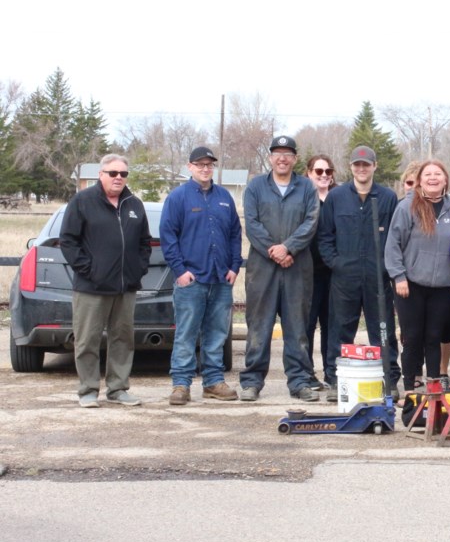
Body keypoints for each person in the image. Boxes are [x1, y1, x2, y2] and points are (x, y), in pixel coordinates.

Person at [59, 154, 150, 408]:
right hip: (92, 287)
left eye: (123, 174)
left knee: (123, 339)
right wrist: (89, 270)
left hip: (126, 287)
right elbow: (68, 240)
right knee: (87, 339)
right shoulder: (83, 201)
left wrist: (138, 269)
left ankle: (118, 388)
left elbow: (145, 242)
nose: (118, 178)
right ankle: (88, 390)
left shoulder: (134, 204)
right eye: (113, 173)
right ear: (101, 175)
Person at [160, 146, 243, 406]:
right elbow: (168, 236)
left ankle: (213, 382)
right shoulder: (178, 197)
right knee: (186, 333)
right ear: (190, 167)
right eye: (200, 164)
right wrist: (180, 271)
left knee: (217, 333)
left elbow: (234, 234)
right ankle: (181, 385)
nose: (205, 169)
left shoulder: (224, 198)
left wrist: (234, 266)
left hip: (221, 279)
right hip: (191, 280)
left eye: (209, 165)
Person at [239, 136, 320, 402]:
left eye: (287, 153)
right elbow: (251, 223)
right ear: (270, 158)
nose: (282, 158)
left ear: (295, 159)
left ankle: (299, 381)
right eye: (277, 153)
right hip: (262, 269)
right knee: (259, 326)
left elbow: (311, 222)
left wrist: (289, 248)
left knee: (297, 327)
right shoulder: (255, 187)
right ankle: (252, 381)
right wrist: (275, 251)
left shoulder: (306, 187)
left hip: (297, 267)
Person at [319, 145, 402, 398]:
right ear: (351, 167)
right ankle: (336, 379)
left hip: (378, 278)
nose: (362, 168)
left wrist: (389, 269)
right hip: (345, 278)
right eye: (357, 164)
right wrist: (337, 263)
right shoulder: (337, 197)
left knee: (383, 330)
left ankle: (389, 378)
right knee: (341, 329)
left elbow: (396, 237)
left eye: (367, 164)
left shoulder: (387, 197)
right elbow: (324, 236)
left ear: (374, 166)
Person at [386, 160, 450, 390]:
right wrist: (399, 276)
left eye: (437, 174)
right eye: (427, 174)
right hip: (410, 285)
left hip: (442, 287)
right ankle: (410, 386)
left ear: (445, 179)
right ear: (419, 180)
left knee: (434, 337)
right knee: (412, 337)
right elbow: (393, 245)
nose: (432, 178)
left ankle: (433, 386)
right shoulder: (407, 207)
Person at [305, 154, 336, 392]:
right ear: (309, 173)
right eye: (319, 171)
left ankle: (331, 372)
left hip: (334, 274)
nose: (324, 175)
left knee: (331, 325)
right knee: (306, 325)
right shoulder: (303, 198)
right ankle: (306, 374)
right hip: (307, 273)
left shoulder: (337, 199)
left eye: (328, 171)